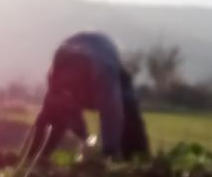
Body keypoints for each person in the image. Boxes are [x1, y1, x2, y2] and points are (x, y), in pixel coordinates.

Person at [20, 32, 149, 166]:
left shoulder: (104, 74)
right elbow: (45, 120)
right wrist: (29, 157)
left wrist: (109, 153)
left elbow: (112, 115)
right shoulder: (57, 75)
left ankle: (140, 164)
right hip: (73, 52)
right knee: (56, 113)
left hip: (103, 52)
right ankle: (35, 159)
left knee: (128, 109)